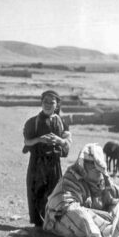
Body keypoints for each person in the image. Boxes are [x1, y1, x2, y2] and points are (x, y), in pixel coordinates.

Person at [43, 143, 119, 237]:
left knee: (117, 207)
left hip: (86, 224)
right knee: (79, 213)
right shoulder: (70, 179)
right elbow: (65, 205)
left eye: (98, 166)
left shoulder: (100, 180)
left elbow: (113, 198)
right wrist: (95, 212)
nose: (97, 170)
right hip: (60, 224)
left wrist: (109, 194)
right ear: (83, 164)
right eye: (92, 165)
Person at [23, 90, 72, 227]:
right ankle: (38, 223)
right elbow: (27, 141)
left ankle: (52, 222)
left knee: (54, 192)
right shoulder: (32, 122)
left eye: (52, 102)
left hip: (53, 163)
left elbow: (68, 142)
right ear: (41, 103)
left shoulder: (62, 123)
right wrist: (39, 139)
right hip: (36, 163)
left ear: (57, 105)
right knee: (36, 191)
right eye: (45, 102)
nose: (48, 104)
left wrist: (59, 140)